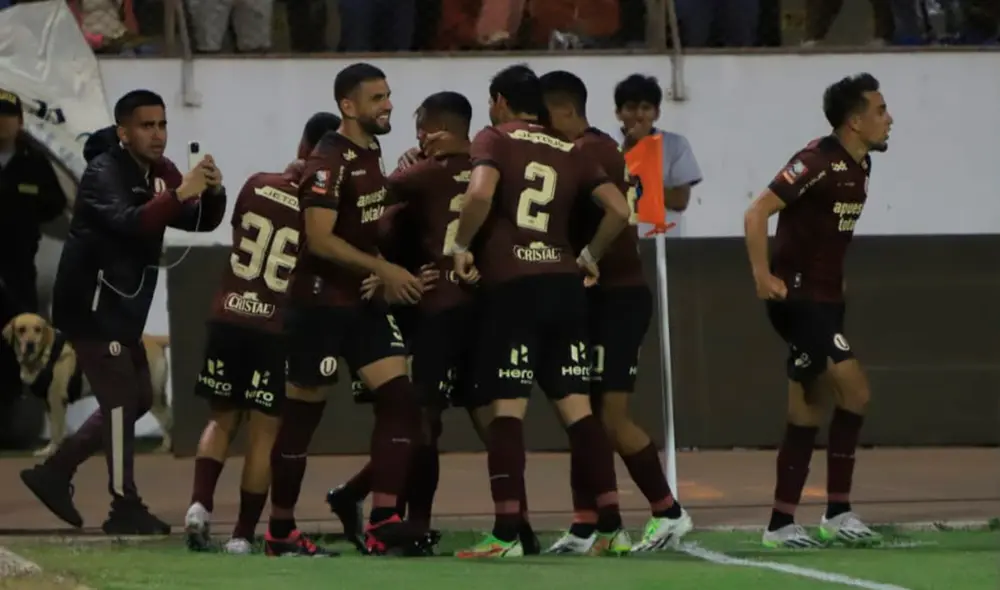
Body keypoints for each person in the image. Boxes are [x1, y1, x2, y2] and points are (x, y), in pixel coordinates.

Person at [326, 92, 541, 555]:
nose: (419, 138)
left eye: (421, 129)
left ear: (432, 130)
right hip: (489, 307)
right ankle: (515, 522)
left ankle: (408, 521)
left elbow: (367, 214)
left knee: (425, 421)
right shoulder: (499, 166)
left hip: (439, 311)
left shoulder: (421, 174)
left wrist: (391, 269)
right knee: (494, 419)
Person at [18, 89, 228, 534]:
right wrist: (180, 194)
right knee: (119, 403)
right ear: (123, 132)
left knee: (138, 399)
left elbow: (198, 221)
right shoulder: (102, 173)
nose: (157, 135)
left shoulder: (160, 170)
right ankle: (123, 505)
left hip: (122, 305)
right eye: (146, 126)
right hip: (92, 306)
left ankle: (55, 472)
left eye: (162, 124)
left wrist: (212, 191)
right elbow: (132, 221)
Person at [448, 64, 631, 558]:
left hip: (513, 287)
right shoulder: (568, 147)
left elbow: (481, 193)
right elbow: (620, 209)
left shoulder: (494, 138)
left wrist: (460, 244)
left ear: (501, 101)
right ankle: (612, 526)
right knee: (578, 410)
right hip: (565, 286)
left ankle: (506, 534)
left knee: (508, 408)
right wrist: (588, 256)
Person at [265, 62, 428, 557]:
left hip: (360, 302)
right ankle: (280, 531)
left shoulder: (371, 151)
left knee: (401, 401)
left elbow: (359, 230)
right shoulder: (329, 160)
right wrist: (386, 270)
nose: (389, 105)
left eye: (388, 95)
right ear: (348, 106)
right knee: (302, 418)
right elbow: (319, 238)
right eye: (378, 98)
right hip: (318, 303)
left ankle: (381, 522)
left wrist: (379, 268)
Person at [539, 70, 694, 554]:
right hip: (590, 298)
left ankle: (668, 511)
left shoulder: (587, 151)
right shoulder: (590, 149)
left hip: (618, 298)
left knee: (609, 416)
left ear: (565, 111)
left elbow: (617, 213)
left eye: (543, 117)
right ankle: (590, 524)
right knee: (581, 414)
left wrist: (587, 258)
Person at [743, 73, 891, 548]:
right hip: (801, 300)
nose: (889, 120)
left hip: (827, 299)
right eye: (880, 111)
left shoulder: (862, 165)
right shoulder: (816, 161)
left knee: (807, 408)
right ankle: (838, 512)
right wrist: (762, 275)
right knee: (856, 392)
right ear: (854, 120)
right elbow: (757, 212)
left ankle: (782, 523)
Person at [184, 112, 342, 554]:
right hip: (273, 325)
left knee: (221, 419)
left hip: (229, 314)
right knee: (263, 435)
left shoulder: (256, 182)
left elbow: (238, 233)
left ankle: (199, 506)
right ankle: (240, 535)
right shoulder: (325, 210)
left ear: (300, 146)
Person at [0, 89, 68, 410]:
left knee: (21, 347)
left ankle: (14, 421)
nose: (2, 123)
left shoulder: (34, 163)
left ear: (20, 121)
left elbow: (54, 204)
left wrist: (24, 219)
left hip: (18, 270)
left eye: (8, 116)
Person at [613, 74, 702, 215]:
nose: (639, 115)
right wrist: (628, 148)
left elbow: (680, 201)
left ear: (657, 113)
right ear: (618, 113)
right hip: (619, 235)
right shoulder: (603, 143)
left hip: (665, 234)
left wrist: (640, 179)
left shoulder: (675, 145)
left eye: (646, 108)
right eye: (631, 108)